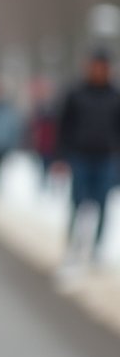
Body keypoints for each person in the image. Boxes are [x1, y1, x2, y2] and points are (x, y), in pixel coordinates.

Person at [57, 50, 120, 263]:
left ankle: (96, 247)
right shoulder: (75, 93)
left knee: (103, 204)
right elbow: (64, 125)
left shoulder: (115, 95)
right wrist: (62, 154)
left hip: (106, 157)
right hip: (80, 156)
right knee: (77, 202)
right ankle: (73, 245)